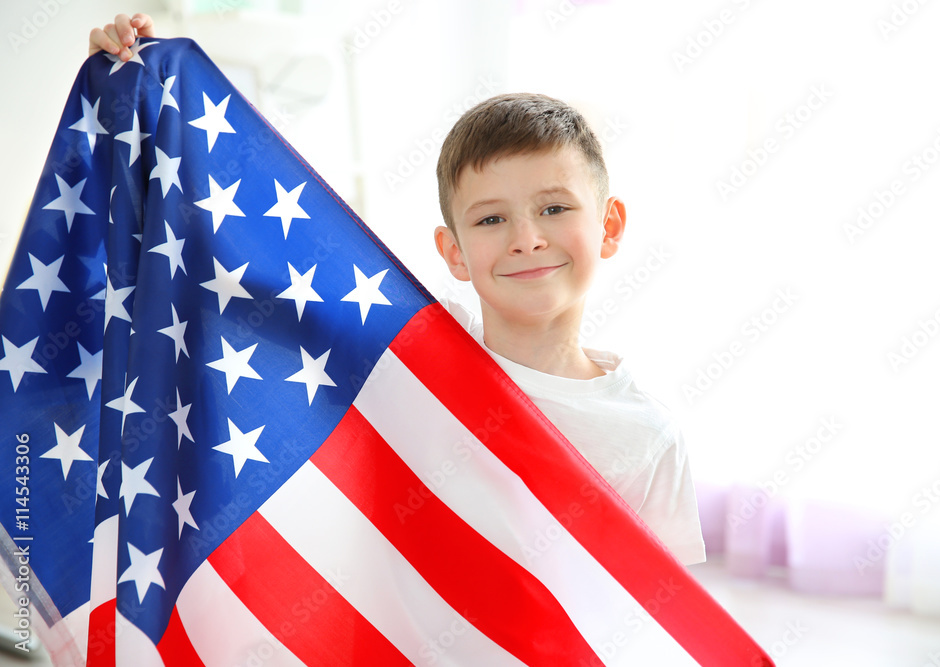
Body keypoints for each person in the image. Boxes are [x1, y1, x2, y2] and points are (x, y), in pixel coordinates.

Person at [89, 14, 706, 565]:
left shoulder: (645, 436)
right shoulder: (414, 355)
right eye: (491, 219)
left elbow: (663, 623)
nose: (526, 239)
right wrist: (139, 104)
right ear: (454, 253)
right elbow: (239, 275)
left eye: (554, 208)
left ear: (611, 226)